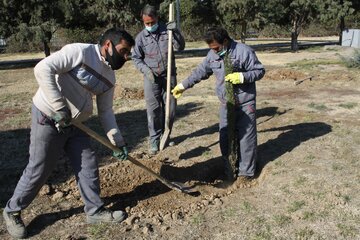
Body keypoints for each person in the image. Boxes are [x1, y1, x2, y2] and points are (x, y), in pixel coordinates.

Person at [2, 27, 135, 239]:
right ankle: (12, 210)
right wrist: (59, 108)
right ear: (108, 45)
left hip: (77, 123)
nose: (126, 57)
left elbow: (106, 112)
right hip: (48, 116)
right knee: (40, 167)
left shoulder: (109, 77)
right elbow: (43, 69)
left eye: (128, 53)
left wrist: (117, 141)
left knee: (88, 164)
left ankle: (95, 210)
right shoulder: (80, 52)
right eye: (124, 50)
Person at [172, 27, 265, 183]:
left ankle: (246, 174)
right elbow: (200, 72)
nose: (214, 51)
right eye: (211, 49)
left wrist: (243, 76)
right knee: (224, 137)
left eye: (216, 48)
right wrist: (183, 85)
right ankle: (229, 169)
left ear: (225, 41)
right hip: (225, 104)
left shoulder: (244, 51)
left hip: (244, 103)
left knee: (246, 139)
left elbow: (259, 71)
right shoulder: (212, 55)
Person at [132, 4, 185, 155]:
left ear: (157, 18)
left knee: (170, 107)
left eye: (152, 22)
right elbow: (136, 58)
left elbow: (180, 47)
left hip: (169, 75)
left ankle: (166, 135)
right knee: (154, 109)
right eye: (146, 23)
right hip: (151, 78)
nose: (149, 25)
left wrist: (175, 32)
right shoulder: (141, 38)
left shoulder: (167, 31)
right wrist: (146, 71)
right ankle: (154, 139)